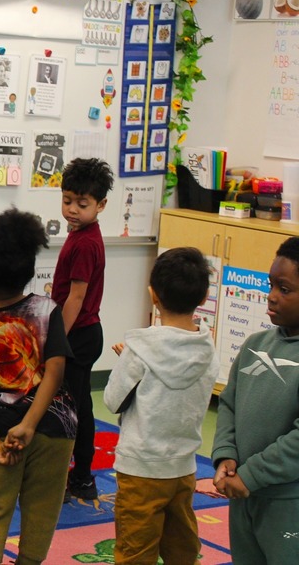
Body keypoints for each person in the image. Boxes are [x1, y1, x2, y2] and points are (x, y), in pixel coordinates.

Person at [0, 209, 77, 565]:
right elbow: (55, 371)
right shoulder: (47, 309)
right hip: (55, 428)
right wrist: (31, 424)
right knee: (42, 510)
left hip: (3, 429)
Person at [103, 247, 217, 565]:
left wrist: (126, 362)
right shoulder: (207, 348)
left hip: (141, 469)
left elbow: (112, 400)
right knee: (182, 549)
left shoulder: (139, 350)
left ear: (153, 294)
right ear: (205, 296)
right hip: (183, 468)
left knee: (135, 552)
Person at [212, 236, 299, 564]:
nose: (271, 296)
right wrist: (226, 456)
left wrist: (253, 474)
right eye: (270, 285)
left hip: (289, 504)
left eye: (285, 289)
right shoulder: (254, 344)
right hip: (243, 498)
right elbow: (229, 404)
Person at [51, 157, 114, 501]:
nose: (72, 210)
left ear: (101, 205)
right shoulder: (80, 234)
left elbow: (76, 297)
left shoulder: (87, 243)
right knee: (77, 406)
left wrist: (56, 339)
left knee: (70, 410)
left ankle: (77, 476)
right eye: (67, 201)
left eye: (83, 204)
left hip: (79, 334)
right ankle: (80, 475)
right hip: (81, 332)